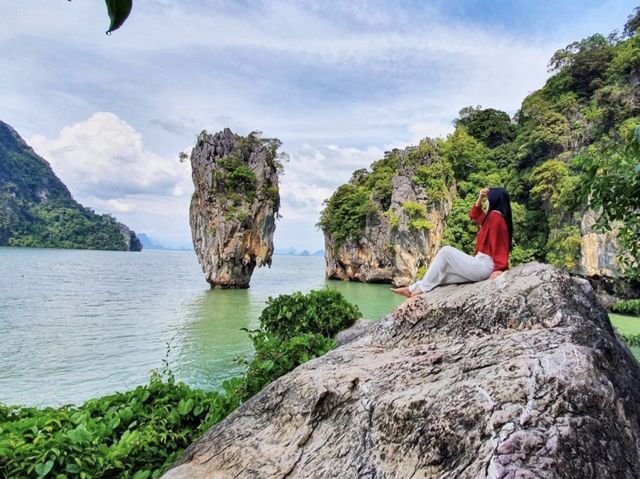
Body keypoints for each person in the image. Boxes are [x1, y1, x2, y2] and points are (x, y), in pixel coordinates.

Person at [391, 187, 513, 298]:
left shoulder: (496, 217)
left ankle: (421, 288)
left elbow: (500, 244)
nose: (487, 202)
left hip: (485, 265)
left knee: (445, 251)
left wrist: (500, 268)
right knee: (443, 274)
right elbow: (474, 214)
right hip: (481, 265)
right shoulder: (492, 218)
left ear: (494, 200)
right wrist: (480, 198)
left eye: (488, 199)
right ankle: (412, 288)